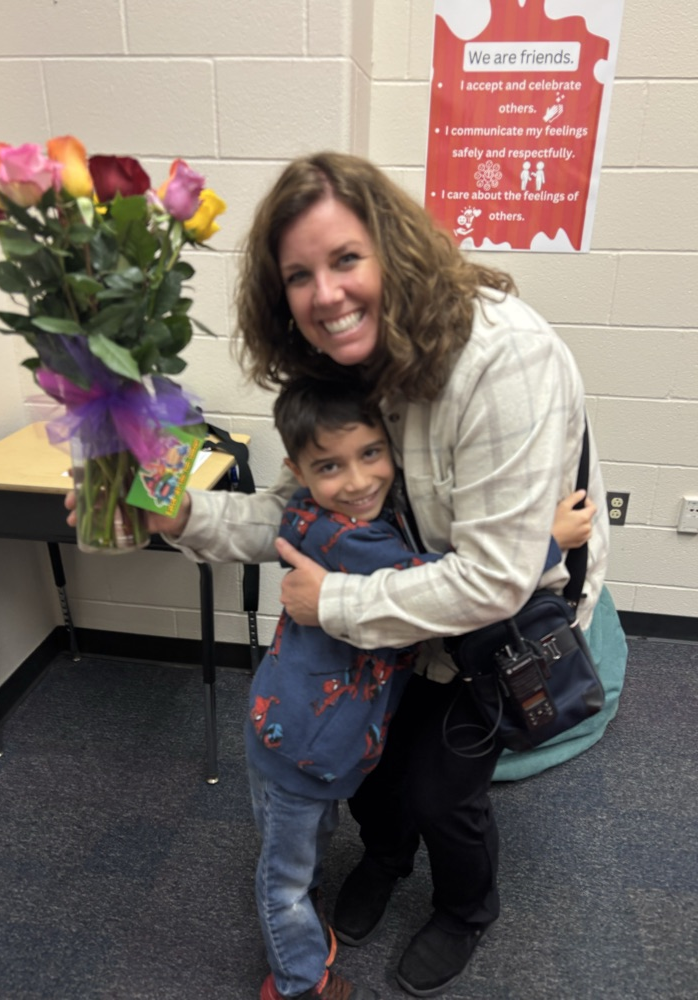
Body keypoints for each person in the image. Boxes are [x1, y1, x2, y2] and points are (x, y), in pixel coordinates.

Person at [65, 151, 610, 999]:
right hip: (398, 598)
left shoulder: (505, 358)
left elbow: (495, 579)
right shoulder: (345, 364)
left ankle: (468, 906)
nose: (325, 293)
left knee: (440, 787)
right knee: (377, 771)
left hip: (497, 612)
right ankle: (385, 861)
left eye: (346, 259)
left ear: (393, 252)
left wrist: (336, 601)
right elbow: (290, 519)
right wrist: (175, 516)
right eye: (299, 275)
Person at [248, 376, 444, 1000]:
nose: (358, 481)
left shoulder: (322, 514)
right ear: (296, 469)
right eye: (329, 466)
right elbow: (451, 587)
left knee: (305, 848)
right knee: (284, 877)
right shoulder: (354, 540)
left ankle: (306, 921)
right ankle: (298, 984)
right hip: (301, 749)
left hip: (306, 738)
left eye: (370, 454)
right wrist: (543, 541)